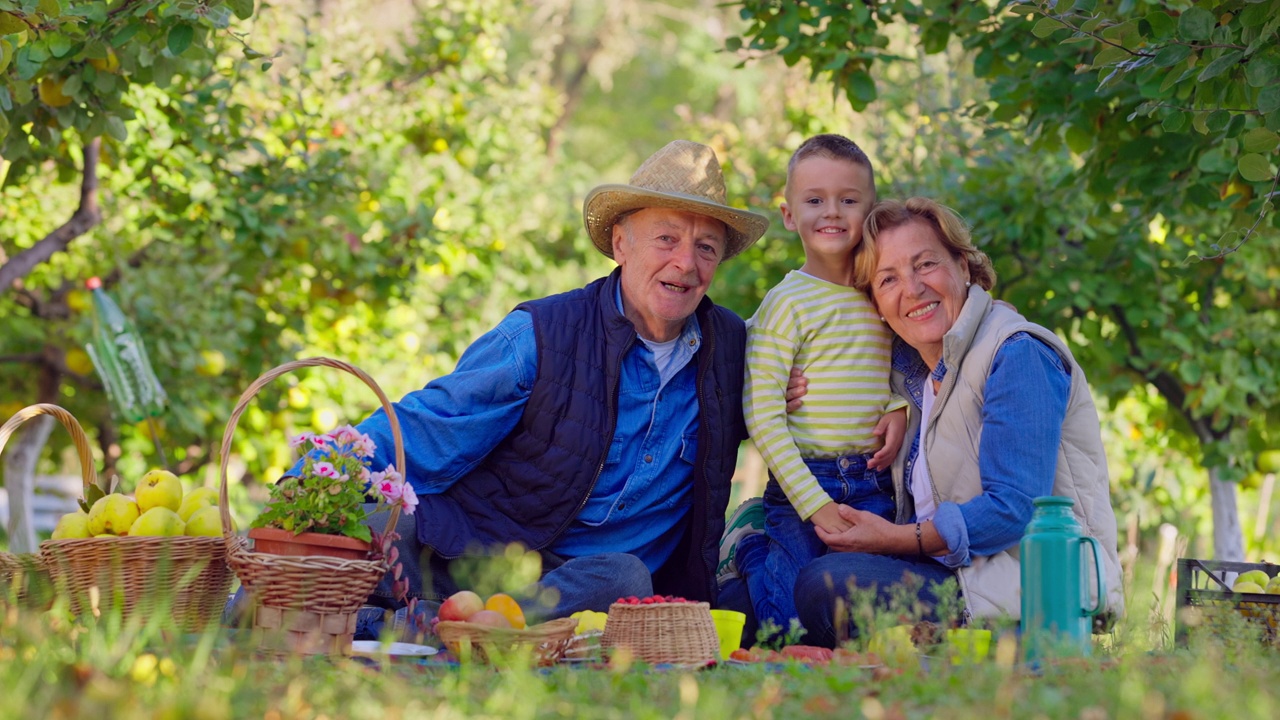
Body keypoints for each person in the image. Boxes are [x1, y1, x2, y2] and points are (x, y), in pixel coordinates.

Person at [314, 140, 770, 631]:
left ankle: (422, 625)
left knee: (626, 575)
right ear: (621, 243)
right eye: (666, 239)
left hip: (583, 587)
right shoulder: (541, 334)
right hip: (478, 555)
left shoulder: (735, 353)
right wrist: (312, 480)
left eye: (706, 248)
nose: (685, 263)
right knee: (353, 531)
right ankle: (450, 622)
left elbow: (808, 394)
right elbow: (427, 425)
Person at [786, 197, 1123, 647]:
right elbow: (814, 339)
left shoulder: (1017, 352)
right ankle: (915, 654)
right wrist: (786, 376)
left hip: (1033, 595)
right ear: (876, 304)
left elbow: (1014, 507)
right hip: (958, 579)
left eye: (925, 265)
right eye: (888, 279)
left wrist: (894, 540)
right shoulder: (916, 376)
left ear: (963, 267)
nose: (912, 289)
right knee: (766, 579)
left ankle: (965, 655)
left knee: (826, 584)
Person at [727, 134, 905, 642]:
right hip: (803, 481)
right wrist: (814, 503)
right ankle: (750, 549)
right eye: (814, 200)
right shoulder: (787, 304)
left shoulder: (881, 291)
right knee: (786, 627)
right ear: (788, 215)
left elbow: (888, 372)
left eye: (849, 200)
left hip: (872, 483)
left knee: (852, 612)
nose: (832, 212)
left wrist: (898, 409)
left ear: (869, 212)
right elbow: (762, 414)